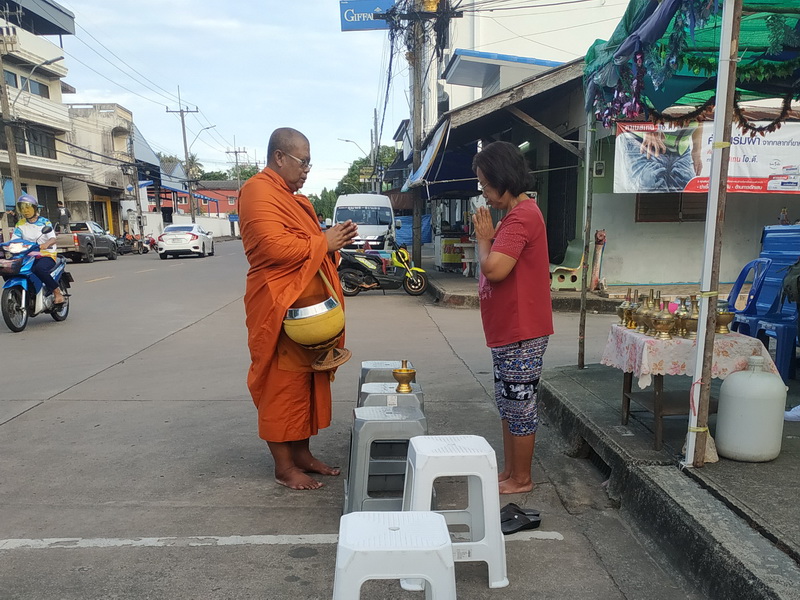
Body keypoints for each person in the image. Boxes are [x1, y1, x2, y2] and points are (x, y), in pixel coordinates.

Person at [239, 127, 358, 491]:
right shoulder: (257, 191)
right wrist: (324, 242)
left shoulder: (296, 201)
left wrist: (331, 243)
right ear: (279, 157)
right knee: (282, 386)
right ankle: (284, 467)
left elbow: (308, 245)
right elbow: (272, 248)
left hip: (307, 311)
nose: (306, 170)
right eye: (303, 162)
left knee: (307, 380)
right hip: (278, 307)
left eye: (309, 163)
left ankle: (303, 455)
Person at [471, 141, 553, 495]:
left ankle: (522, 478)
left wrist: (484, 240)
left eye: (487, 185)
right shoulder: (515, 216)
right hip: (509, 330)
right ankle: (510, 471)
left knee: (519, 406)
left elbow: (495, 269)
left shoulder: (522, 217)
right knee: (508, 403)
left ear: (504, 179)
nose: (484, 194)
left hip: (522, 331)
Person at [619, 123, 704, 192]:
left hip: (681, 149)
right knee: (651, 187)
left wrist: (697, 150)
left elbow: (700, 116)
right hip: (644, 142)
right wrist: (649, 126)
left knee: (686, 191)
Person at [11, 195, 64, 305]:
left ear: (35, 208)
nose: (25, 211)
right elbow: (15, 240)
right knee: (9, 268)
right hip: (27, 255)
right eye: (22, 208)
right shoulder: (20, 224)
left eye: (28, 208)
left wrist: (46, 244)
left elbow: (53, 238)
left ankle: (57, 292)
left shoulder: (45, 222)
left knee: (39, 269)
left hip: (46, 254)